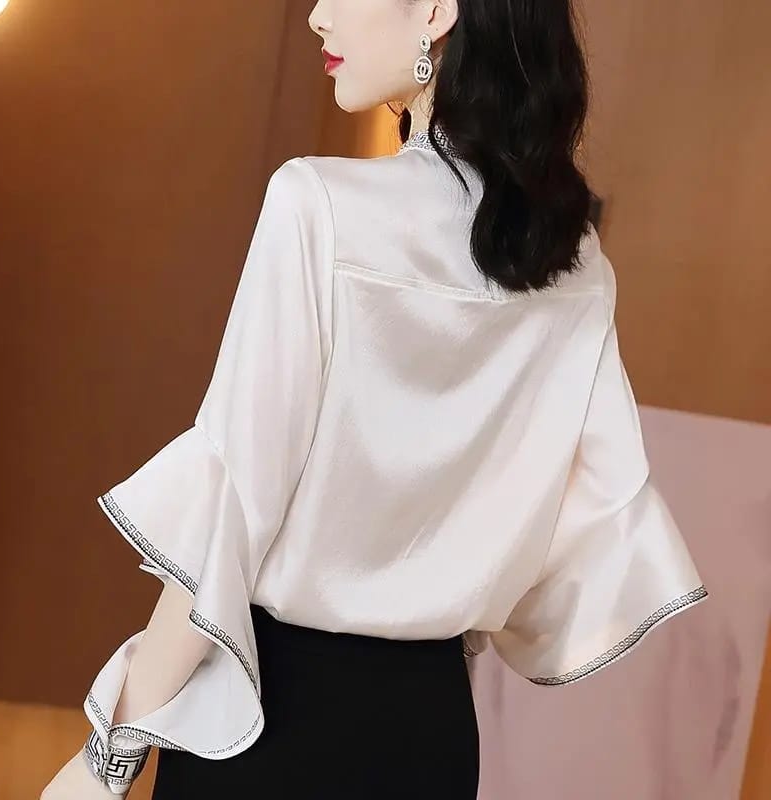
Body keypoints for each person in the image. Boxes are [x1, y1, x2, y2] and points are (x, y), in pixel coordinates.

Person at [41, 1, 708, 798]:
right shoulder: (578, 264)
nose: (318, 17)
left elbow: (230, 511)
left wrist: (108, 755)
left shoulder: (317, 203)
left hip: (265, 722)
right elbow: (571, 520)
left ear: (436, 10)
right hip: (431, 732)